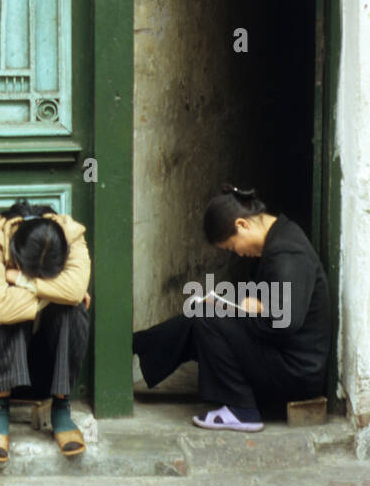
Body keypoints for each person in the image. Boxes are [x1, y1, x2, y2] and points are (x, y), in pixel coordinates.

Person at [133, 184, 331, 432]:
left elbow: (285, 321)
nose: (237, 252)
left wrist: (239, 310)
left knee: (209, 318)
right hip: (284, 358)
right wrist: (236, 306)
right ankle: (135, 345)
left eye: (231, 246)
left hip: (297, 373)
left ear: (242, 225)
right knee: (204, 314)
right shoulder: (278, 239)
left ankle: (241, 410)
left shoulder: (287, 253)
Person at [0, 200, 92, 464]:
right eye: (26, 270)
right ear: (14, 249)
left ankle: (62, 408)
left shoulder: (71, 235)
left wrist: (20, 279)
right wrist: (56, 292)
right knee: (8, 309)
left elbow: (73, 292)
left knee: (73, 310)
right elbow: (0, 309)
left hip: (40, 372)